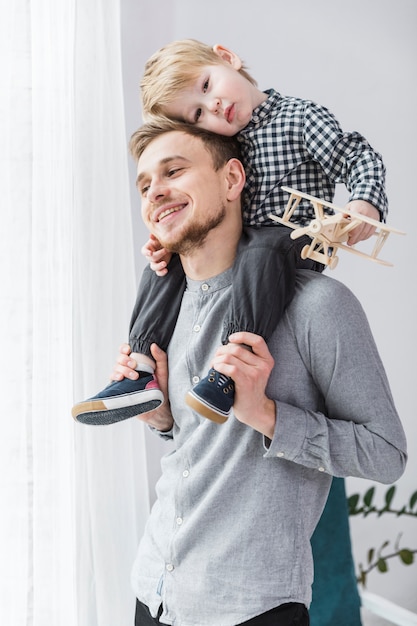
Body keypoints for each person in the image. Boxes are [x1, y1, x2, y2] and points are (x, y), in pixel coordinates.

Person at [113, 120, 406, 626]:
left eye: (174, 170)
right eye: (144, 185)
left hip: (249, 608)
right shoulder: (167, 306)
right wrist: (164, 418)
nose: (155, 190)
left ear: (232, 180)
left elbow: (387, 454)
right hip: (154, 590)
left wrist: (267, 415)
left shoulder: (318, 307)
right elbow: (201, 447)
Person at [71, 39, 387, 426]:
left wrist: (364, 202)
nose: (214, 108)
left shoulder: (299, 118)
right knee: (163, 267)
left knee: (262, 249)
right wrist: (167, 240)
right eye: (198, 114)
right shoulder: (227, 136)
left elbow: (355, 154)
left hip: (292, 238)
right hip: (247, 250)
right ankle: (140, 369)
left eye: (206, 87)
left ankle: (231, 366)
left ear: (226, 58)